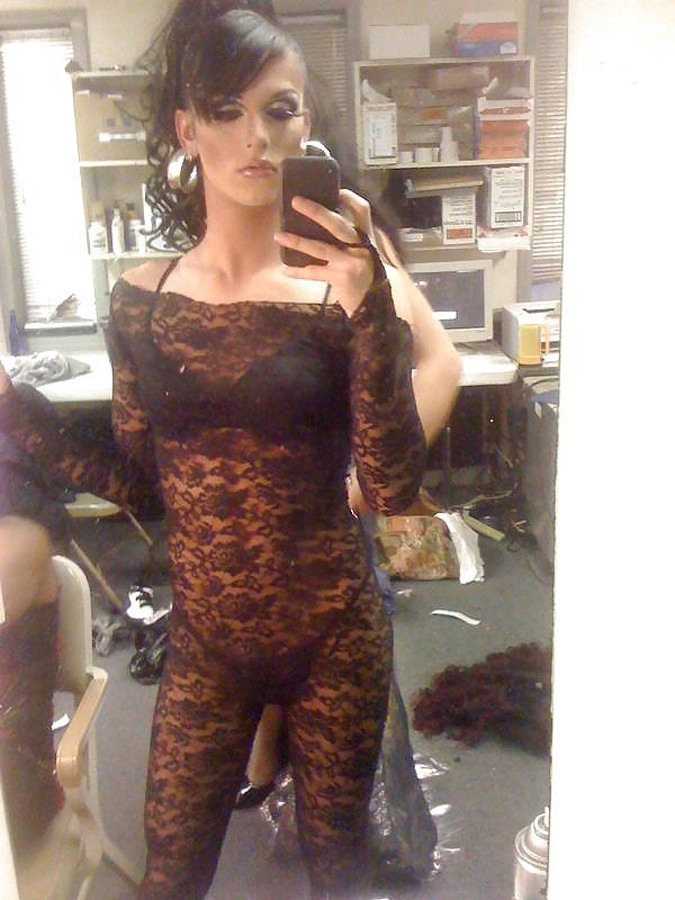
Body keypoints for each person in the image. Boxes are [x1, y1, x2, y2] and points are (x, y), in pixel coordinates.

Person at [0, 7, 458, 898]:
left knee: (337, 871)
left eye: (278, 110)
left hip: (335, 631)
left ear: (305, 123)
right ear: (187, 128)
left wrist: (370, 312)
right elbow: (143, 485)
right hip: (208, 640)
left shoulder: (346, 290)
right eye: (227, 110)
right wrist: (20, 416)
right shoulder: (141, 300)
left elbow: (390, 485)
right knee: (171, 871)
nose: (256, 136)